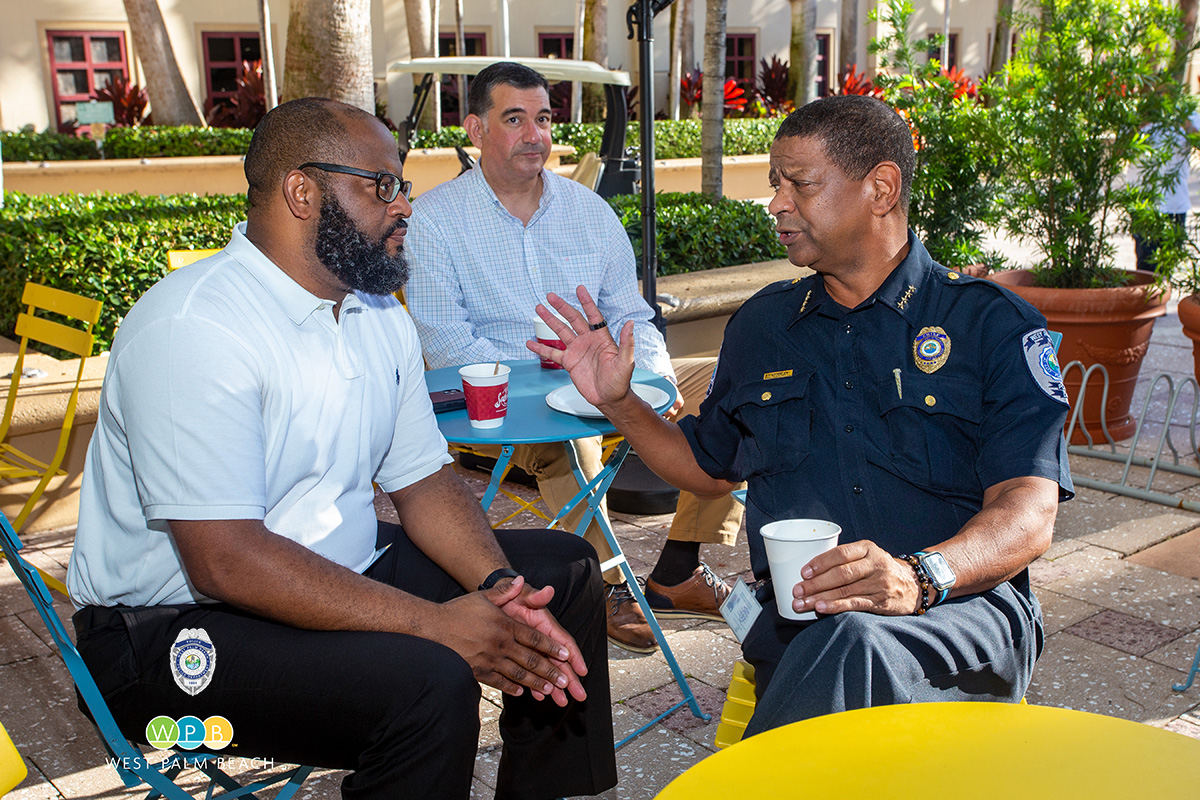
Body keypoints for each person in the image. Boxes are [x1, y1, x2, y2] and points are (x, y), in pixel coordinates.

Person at [66, 97, 617, 799]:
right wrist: (438, 626)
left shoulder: (375, 311)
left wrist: (496, 589)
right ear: (303, 191)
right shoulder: (195, 327)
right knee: (430, 685)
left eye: (405, 187)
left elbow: (423, 480)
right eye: (381, 185)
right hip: (165, 634)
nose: (406, 207)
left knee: (563, 571)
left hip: (334, 569)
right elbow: (224, 559)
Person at [529, 95, 1074, 734]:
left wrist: (918, 577)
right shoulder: (765, 326)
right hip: (796, 624)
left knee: (853, 644)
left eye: (801, 184)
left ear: (882, 188)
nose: (777, 204)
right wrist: (618, 402)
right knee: (837, 646)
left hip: (957, 615)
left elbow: (1029, 511)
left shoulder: (989, 325)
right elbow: (708, 469)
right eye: (774, 184)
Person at [405, 61, 745, 654]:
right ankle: (609, 584)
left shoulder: (590, 212)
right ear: (476, 131)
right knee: (574, 438)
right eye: (515, 119)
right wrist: (555, 383)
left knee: (732, 386)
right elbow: (447, 343)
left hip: (613, 378)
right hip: (500, 403)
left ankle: (675, 567)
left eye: (543, 119)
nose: (535, 134)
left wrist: (654, 380)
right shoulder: (434, 222)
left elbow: (632, 316)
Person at [1133, 110, 1200, 271]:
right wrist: (1137, 127)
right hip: (1144, 202)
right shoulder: (1139, 112)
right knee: (1145, 263)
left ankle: (1163, 296)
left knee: (1170, 263)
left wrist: (1188, 126)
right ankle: (1147, 297)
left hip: (1175, 202)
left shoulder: (1189, 114)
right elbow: (1119, 150)